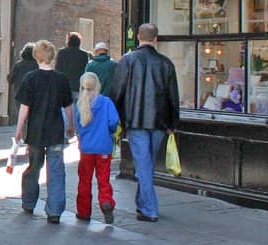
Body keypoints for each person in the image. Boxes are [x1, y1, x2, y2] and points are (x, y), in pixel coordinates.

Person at [111, 23, 180, 223]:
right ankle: (143, 204)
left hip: (135, 121)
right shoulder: (166, 64)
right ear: (155, 39)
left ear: (139, 37)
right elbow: (173, 97)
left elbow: (117, 93)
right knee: (146, 164)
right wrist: (172, 123)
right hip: (159, 123)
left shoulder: (127, 61)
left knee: (143, 165)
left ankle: (149, 209)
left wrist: (117, 121)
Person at [12, 40, 73, 223]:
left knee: (34, 167)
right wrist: (71, 126)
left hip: (36, 132)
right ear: (52, 57)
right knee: (56, 171)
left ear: (36, 56)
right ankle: (54, 211)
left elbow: (24, 107)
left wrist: (19, 129)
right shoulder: (61, 79)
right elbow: (68, 106)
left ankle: (29, 202)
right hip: (55, 131)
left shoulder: (30, 78)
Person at [71, 72, 120, 223]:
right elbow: (114, 122)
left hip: (86, 148)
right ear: (97, 85)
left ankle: (84, 211)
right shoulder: (106, 102)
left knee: (84, 180)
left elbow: (77, 127)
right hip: (104, 147)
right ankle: (106, 202)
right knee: (103, 179)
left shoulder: (79, 105)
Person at [7, 43, 37, 124]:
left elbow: (10, 80)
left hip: (20, 93)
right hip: (34, 94)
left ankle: (23, 134)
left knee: (22, 116)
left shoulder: (18, 65)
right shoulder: (38, 65)